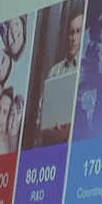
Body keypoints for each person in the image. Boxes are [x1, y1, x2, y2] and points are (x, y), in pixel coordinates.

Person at [34, 9, 84, 147]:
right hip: (51, 146)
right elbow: (39, 120)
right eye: (71, 32)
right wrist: (47, 128)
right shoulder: (55, 72)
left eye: (78, 32)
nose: (74, 38)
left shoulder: (87, 71)